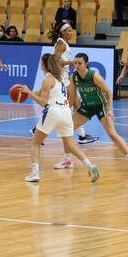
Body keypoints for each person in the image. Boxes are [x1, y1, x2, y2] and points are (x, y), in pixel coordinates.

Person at [54, 53, 128, 172]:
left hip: (101, 106)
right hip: (87, 106)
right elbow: (72, 97)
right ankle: (67, 160)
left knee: (112, 134)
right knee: (67, 130)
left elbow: (108, 93)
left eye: (79, 63)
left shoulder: (94, 76)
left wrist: (110, 110)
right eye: (75, 63)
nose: (77, 65)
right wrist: (66, 110)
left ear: (86, 64)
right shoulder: (74, 77)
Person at [20, 53, 100, 183]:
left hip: (53, 111)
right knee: (70, 144)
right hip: (66, 112)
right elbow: (39, 94)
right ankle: (90, 166)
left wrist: (28, 92)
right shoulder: (58, 79)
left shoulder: (47, 79)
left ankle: (34, 173)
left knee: (36, 143)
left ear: (43, 64)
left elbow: (42, 102)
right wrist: (27, 93)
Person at [51, 23, 97, 144]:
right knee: (66, 106)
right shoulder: (61, 43)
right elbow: (55, 61)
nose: (72, 33)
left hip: (65, 77)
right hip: (62, 78)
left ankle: (82, 136)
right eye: (69, 31)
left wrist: (70, 63)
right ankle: (37, 130)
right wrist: (72, 63)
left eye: (72, 31)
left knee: (75, 105)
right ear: (63, 32)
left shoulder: (64, 42)